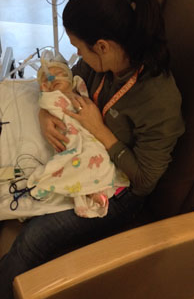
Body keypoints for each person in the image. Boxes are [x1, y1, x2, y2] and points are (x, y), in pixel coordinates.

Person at [0, 0, 184, 299]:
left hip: (118, 189)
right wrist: (45, 112)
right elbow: (71, 75)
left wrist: (100, 129)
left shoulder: (159, 101)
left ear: (103, 46)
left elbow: (145, 180)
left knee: (35, 237)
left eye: (81, 47)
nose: (78, 54)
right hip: (81, 150)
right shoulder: (107, 64)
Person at [29, 55, 130, 218]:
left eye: (58, 73)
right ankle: (85, 194)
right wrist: (44, 107)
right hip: (70, 138)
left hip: (91, 136)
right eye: (45, 78)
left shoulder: (81, 91)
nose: (51, 78)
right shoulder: (52, 98)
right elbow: (46, 102)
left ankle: (95, 190)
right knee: (74, 161)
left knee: (99, 156)